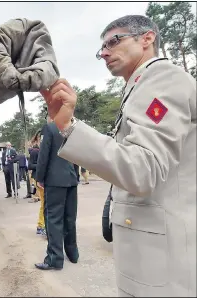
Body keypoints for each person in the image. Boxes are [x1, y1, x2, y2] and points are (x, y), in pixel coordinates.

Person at [41, 15, 196, 297]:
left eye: (113, 41)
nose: (103, 53)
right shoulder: (139, 85)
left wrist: (68, 126)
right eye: (101, 48)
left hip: (163, 263)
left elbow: (144, 169)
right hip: (151, 255)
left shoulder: (163, 79)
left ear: (147, 38)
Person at [34, 116, 79, 270]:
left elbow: (43, 155)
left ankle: (55, 258)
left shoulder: (50, 128)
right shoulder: (73, 128)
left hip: (54, 180)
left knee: (53, 219)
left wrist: (39, 177)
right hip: (71, 178)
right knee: (70, 217)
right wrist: (75, 176)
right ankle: (73, 254)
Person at [28, 130, 47, 238]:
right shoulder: (35, 151)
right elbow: (30, 165)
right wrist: (41, 166)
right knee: (44, 204)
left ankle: (41, 226)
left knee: (44, 204)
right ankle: (41, 226)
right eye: (41, 138)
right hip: (38, 179)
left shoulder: (43, 149)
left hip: (43, 179)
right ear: (38, 139)